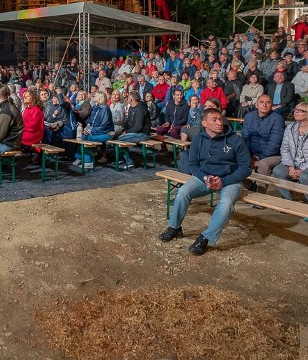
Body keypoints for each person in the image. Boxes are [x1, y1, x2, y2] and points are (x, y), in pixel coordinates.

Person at [157, 108, 252, 256]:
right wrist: (205, 178)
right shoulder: (198, 139)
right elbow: (193, 164)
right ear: (204, 123)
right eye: (214, 119)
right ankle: (174, 228)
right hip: (205, 178)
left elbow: (246, 168)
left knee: (226, 204)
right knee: (183, 192)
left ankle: (206, 238)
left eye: (220, 119)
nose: (219, 122)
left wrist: (224, 180)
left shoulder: (235, 140)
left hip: (230, 180)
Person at [241, 94, 285, 179]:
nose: (264, 105)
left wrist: (260, 159)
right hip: (252, 153)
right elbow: (245, 138)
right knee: (237, 159)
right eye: (261, 102)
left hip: (272, 155)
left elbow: (274, 143)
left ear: (271, 105)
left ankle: (260, 190)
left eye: (268, 103)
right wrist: (248, 156)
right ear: (256, 105)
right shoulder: (249, 116)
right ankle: (247, 185)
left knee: (263, 164)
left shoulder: (277, 119)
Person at [116, 91, 151, 169]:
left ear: (131, 99)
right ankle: (125, 158)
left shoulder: (141, 109)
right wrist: (123, 130)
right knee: (117, 136)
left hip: (143, 134)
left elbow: (138, 127)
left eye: (128, 98)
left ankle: (130, 162)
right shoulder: (131, 107)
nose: (127, 99)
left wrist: (127, 132)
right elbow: (129, 122)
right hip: (134, 132)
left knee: (119, 139)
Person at [20, 88, 45, 163]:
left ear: (33, 98)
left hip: (33, 134)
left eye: (27, 96)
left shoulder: (36, 110)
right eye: (24, 96)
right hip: (26, 131)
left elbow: (32, 127)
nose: (25, 97)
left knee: (13, 137)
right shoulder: (27, 109)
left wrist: (20, 128)